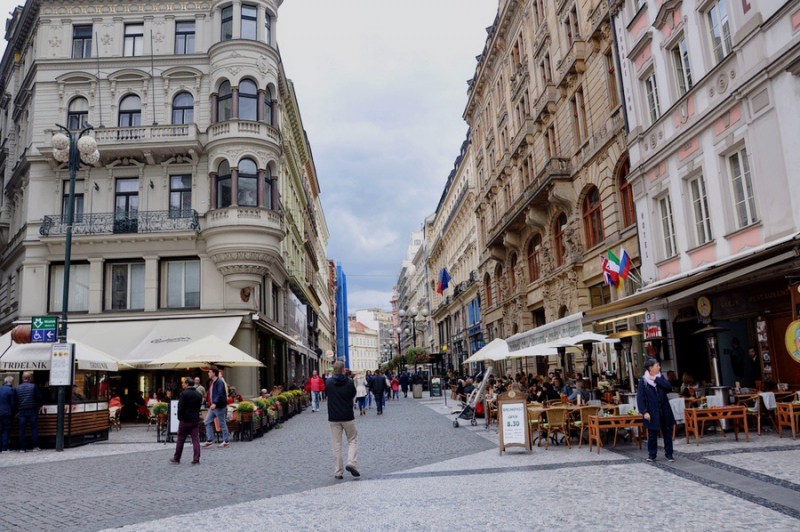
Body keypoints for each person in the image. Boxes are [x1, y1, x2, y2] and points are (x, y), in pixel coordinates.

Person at [637, 358, 676, 463]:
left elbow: (668, 387)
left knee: (667, 432)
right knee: (652, 434)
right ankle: (652, 454)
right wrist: (644, 411)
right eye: (657, 366)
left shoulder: (661, 377)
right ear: (651, 368)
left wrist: (657, 379)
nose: (659, 367)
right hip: (652, 411)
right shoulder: (643, 381)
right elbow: (640, 398)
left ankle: (669, 454)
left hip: (664, 410)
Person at [326, 361, 359, 480]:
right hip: (347, 416)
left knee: (336, 444)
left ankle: (338, 471)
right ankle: (351, 462)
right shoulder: (349, 383)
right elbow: (353, 395)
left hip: (333, 417)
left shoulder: (328, 382)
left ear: (333, 370)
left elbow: (326, 394)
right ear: (343, 370)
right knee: (352, 440)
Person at [171, 377, 203, 465]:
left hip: (185, 419)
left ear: (187, 384)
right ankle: (196, 458)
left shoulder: (184, 394)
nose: (182, 384)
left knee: (180, 439)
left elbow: (180, 407)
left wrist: (180, 418)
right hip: (195, 419)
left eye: (184, 383)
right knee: (195, 439)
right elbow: (199, 406)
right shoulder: (198, 394)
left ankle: (177, 457)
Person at [202, 366, 230, 449]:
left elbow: (220, 394)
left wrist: (214, 403)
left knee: (222, 423)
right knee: (207, 422)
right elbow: (211, 394)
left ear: (214, 373)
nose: (208, 373)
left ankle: (226, 441)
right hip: (213, 407)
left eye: (209, 372)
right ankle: (210, 440)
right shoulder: (212, 382)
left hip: (218, 406)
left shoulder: (219, 382)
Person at [15, 372, 42, 452]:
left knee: (22, 429)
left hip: (22, 411)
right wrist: (39, 406)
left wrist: (17, 410)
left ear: (22, 378)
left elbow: (15, 400)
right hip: (32, 409)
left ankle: (22, 448)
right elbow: (39, 398)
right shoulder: (33, 386)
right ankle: (34, 446)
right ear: (30, 379)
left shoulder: (17, 388)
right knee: (34, 428)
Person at [0, 376, 15, 453]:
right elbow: (13, 403)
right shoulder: (10, 390)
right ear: (11, 382)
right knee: (6, 430)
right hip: (7, 413)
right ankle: (4, 448)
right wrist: (14, 412)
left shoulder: (0, 388)